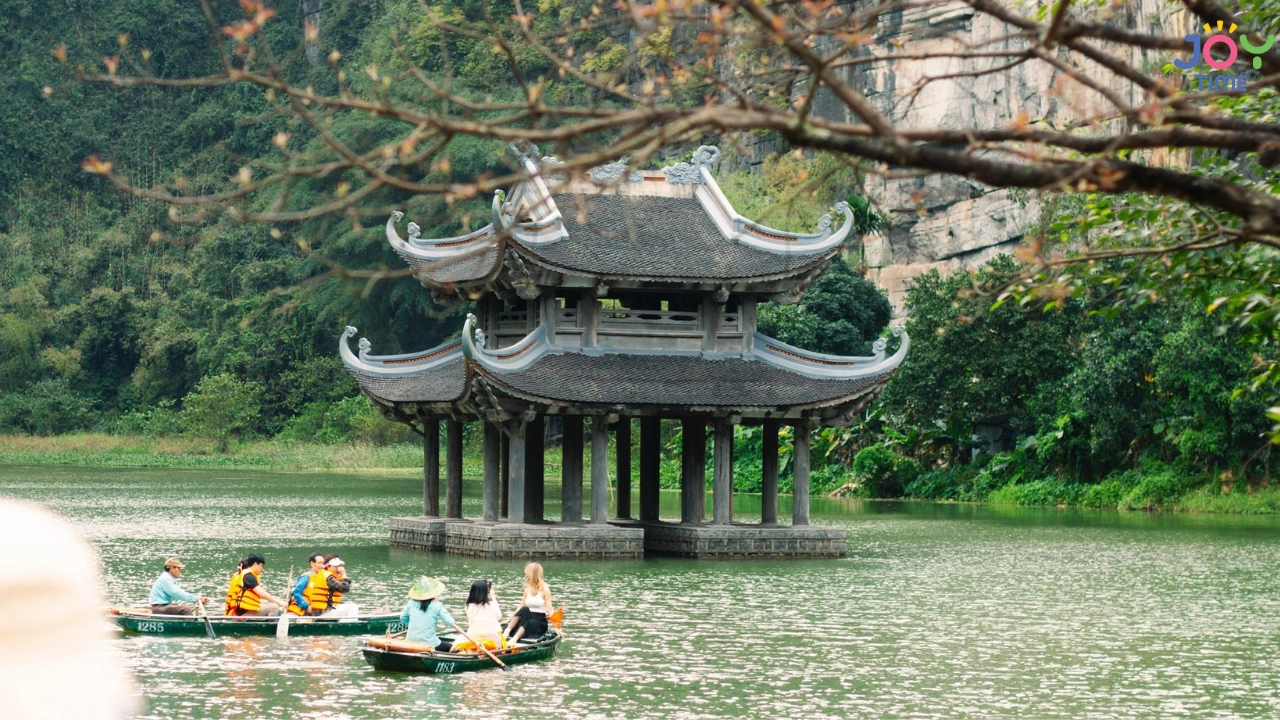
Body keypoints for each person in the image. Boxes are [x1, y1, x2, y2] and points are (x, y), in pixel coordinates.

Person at [400, 577, 456, 652]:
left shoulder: (411, 602)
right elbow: (450, 622)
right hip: (430, 644)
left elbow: (403, 619)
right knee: (452, 647)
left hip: (410, 641)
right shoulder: (437, 605)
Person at [451, 579, 505, 652]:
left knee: (459, 639)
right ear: (487, 592)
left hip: (474, 640)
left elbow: (470, 620)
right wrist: (494, 598)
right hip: (493, 640)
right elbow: (499, 616)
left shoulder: (468, 606)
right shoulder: (492, 604)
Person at [504, 562, 551, 645]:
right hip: (527, 617)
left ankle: (514, 639)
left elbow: (550, 610)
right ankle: (507, 632)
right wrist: (509, 619)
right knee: (524, 609)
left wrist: (557, 627)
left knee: (528, 623)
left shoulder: (545, 590)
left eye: (527, 574)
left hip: (539, 621)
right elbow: (520, 607)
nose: (525, 577)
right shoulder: (527, 590)